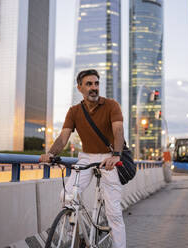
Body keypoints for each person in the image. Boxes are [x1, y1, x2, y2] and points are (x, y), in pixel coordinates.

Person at [40, 69, 126, 248]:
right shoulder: (74, 111)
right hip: (86, 158)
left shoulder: (111, 105)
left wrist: (115, 155)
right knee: (67, 196)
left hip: (109, 158)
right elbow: (63, 138)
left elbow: (118, 131)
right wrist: (51, 154)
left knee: (114, 213)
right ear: (79, 88)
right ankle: (78, 236)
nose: (94, 88)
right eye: (89, 84)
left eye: (96, 83)